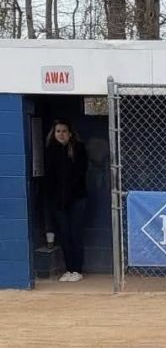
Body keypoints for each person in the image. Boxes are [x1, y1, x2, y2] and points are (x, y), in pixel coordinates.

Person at [44, 119, 88, 282]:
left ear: (70, 134)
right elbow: (48, 179)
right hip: (58, 202)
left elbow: (80, 174)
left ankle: (77, 269)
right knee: (64, 234)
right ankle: (68, 269)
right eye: (58, 131)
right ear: (53, 134)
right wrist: (54, 198)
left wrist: (69, 195)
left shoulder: (79, 149)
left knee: (76, 233)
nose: (61, 134)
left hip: (77, 198)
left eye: (64, 131)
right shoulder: (49, 150)